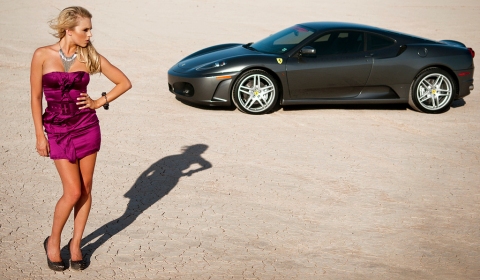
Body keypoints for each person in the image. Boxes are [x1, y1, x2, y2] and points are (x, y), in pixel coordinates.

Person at [30, 6, 131, 271]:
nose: (89, 34)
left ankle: (75, 245)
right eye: (85, 29)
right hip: (57, 129)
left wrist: (98, 101)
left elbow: (124, 82)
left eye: (89, 29)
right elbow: (35, 97)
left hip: (86, 127)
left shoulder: (90, 56)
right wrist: (40, 136)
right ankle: (54, 242)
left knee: (85, 188)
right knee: (72, 191)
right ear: (68, 30)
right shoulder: (42, 54)